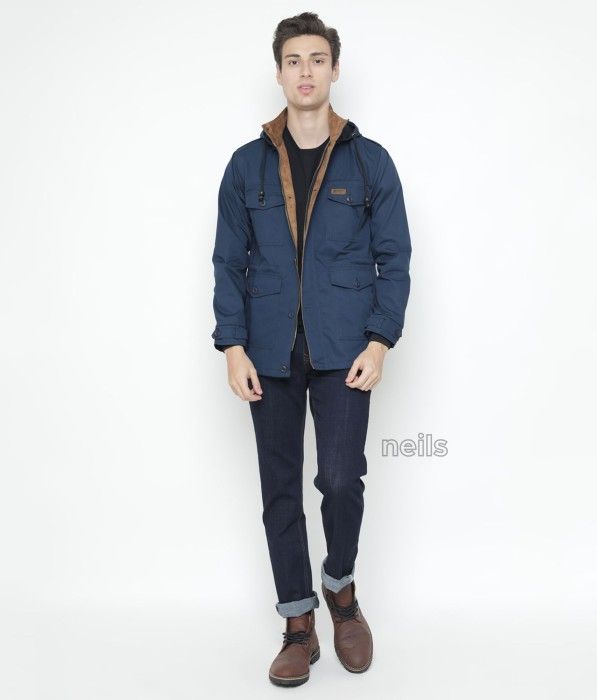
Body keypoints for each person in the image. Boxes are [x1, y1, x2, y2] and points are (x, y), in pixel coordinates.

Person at [210, 11, 412, 687]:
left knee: (341, 479)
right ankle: (299, 623)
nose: (305, 71)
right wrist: (233, 346)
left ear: (334, 69)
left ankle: (341, 592)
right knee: (279, 489)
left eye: (317, 59)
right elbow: (226, 262)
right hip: (268, 351)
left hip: (344, 348)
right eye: (293, 60)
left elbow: (395, 258)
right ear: (278, 73)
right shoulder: (245, 166)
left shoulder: (370, 161)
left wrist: (380, 341)